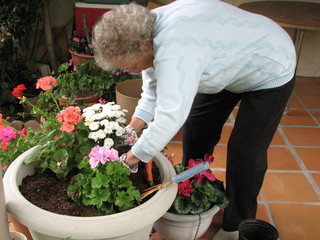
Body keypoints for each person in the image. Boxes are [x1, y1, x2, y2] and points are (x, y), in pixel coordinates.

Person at [92, 0, 296, 239]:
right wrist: (134, 127)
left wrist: (132, 157)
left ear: (142, 44)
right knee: (197, 130)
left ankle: (235, 225)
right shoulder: (142, 29)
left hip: (269, 63)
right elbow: (152, 90)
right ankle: (193, 190)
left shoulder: (176, 46)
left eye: (134, 66)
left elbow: (170, 115)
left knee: (245, 152)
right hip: (225, 61)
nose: (135, 71)